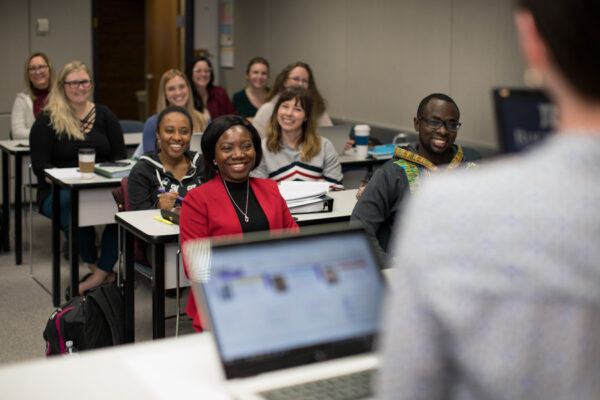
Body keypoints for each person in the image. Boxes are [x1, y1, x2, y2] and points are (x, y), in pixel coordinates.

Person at [379, 0, 600, 399]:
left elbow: (408, 388)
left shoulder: (451, 207)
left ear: (533, 41)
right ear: (417, 125)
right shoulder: (403, 177)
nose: (443, 130)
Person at [180, 115, 298, 331]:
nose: (238, 155)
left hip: (275, 293)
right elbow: (197, 269)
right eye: (227, 148)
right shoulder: (197, 200)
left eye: (246, 146)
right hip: (224, 301)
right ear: (213, 156)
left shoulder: (270, 188)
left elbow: (294, 241)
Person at [29, 60, 126, 295]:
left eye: (84, 81)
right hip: (58, 191)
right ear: (63, 86)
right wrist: (70, 181)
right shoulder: (47, 119)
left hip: (102, 188)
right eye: (73, 83)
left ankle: (99, 275)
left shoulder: (105, 115)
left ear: (91, 84)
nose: (79, 87)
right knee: (73, 209)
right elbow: (41, 167)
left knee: (124, 212)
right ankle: (98, 269)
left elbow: (120, 159)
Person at [351, 93, 476, 260]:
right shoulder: (393, 173)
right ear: (417, 124)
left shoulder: (472, 174)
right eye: (433, 122)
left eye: (451, 124)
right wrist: (391, 271)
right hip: (409, 274)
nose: (443, 130)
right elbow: (359, 229)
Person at [252, 87, 343, 190]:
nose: (289, 113)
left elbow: (336, 187)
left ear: (306, 117)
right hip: (279, 205)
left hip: (317, 205)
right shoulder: (263, 148)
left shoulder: (325, 146)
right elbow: (258, 190)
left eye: (297, 109)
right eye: (285, 106)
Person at [252, 61, 333, 138]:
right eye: (296, 79)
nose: (300, 84)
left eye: (304, 81)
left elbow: (331, 135)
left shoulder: (316, 108)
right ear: (285, 82)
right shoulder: (267, 109)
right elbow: (255, 142)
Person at [141, 69, 206, 153]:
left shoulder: (202, 119)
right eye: (171, 89)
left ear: (188, 89)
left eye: (182, 87)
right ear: (164, 93)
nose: (178, 92)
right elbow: (148, 161)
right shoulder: (152, 124)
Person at [11, 52, 55, 139]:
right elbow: (17, 134)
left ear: (49, 69)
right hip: (31, 151)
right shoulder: (21, 99)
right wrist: (48, 133)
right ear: (28, 74)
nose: (37, 72)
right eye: (32, 68)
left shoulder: (63, 95)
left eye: (41, 67)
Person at [186, 56, 237, 121]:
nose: (203, 74)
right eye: (198, 71)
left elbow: (234, 117)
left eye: (206, 71)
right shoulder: (186, 95)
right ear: (190, 73)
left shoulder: (220, 92)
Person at [232, 57, 269, 121]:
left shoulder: (274, 95)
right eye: (255, 72)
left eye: (264, 73)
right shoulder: (238, 98)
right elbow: (240, 122)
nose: (259, 77)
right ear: (247, 75)